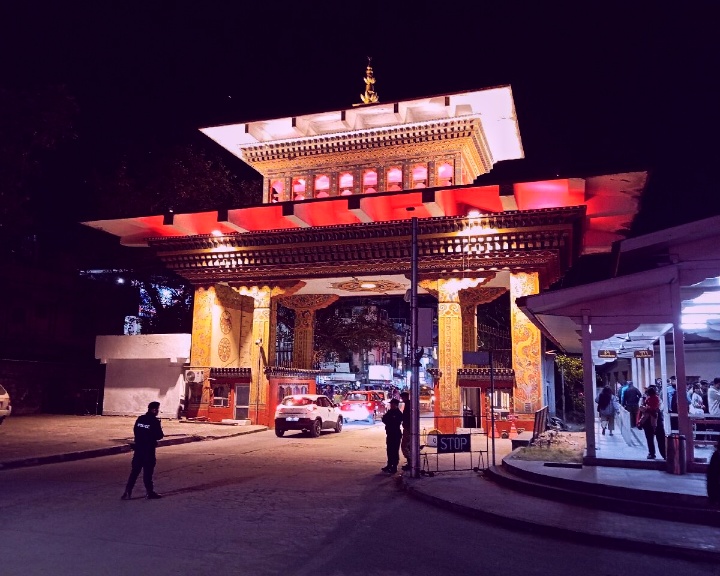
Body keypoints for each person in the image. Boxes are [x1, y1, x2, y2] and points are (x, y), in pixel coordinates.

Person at [121, 401, 164, 500]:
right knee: (147, 473)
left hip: (138, 450)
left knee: (134, 472)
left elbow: (135, 431)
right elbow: (159, 436)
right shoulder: (154, 421)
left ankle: (127, 491)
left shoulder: (140, 419)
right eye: (157, 409)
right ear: (154, 410)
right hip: (148, 451)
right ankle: (150, 493)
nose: (158, 411)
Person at [638, 385, 665, 460]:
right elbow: (660, 408)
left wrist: (648, 409)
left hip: (649, 421)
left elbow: (641, 408)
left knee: (652, 438)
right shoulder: (656, 399)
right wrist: (653, 410)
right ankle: (662, 454)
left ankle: (654, 453)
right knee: (658, 438)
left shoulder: (644, 399)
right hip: (655, 420)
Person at [381, 398, 403, 474]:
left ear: (396, 405)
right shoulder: (390, 412)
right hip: (389, 433)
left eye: (392, 404)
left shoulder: (398, 413)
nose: (391, 405)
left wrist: (389, 421)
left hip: (396, 434)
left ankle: (394, 466)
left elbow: (396, 422)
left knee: (395, 450)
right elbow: (384, 419)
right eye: (391, 404)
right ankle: (389, 465)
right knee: (389, 450)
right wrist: (389, 420)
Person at [399, 391, 412, 471]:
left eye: (402, 397)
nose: (402, 399)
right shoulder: (408, 404)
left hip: (408, 428)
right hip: (408, 427)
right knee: (408, 445)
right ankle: (410, 462)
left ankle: (410, 462)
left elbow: (407, 416)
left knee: (405, 445)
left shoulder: (408, 404)